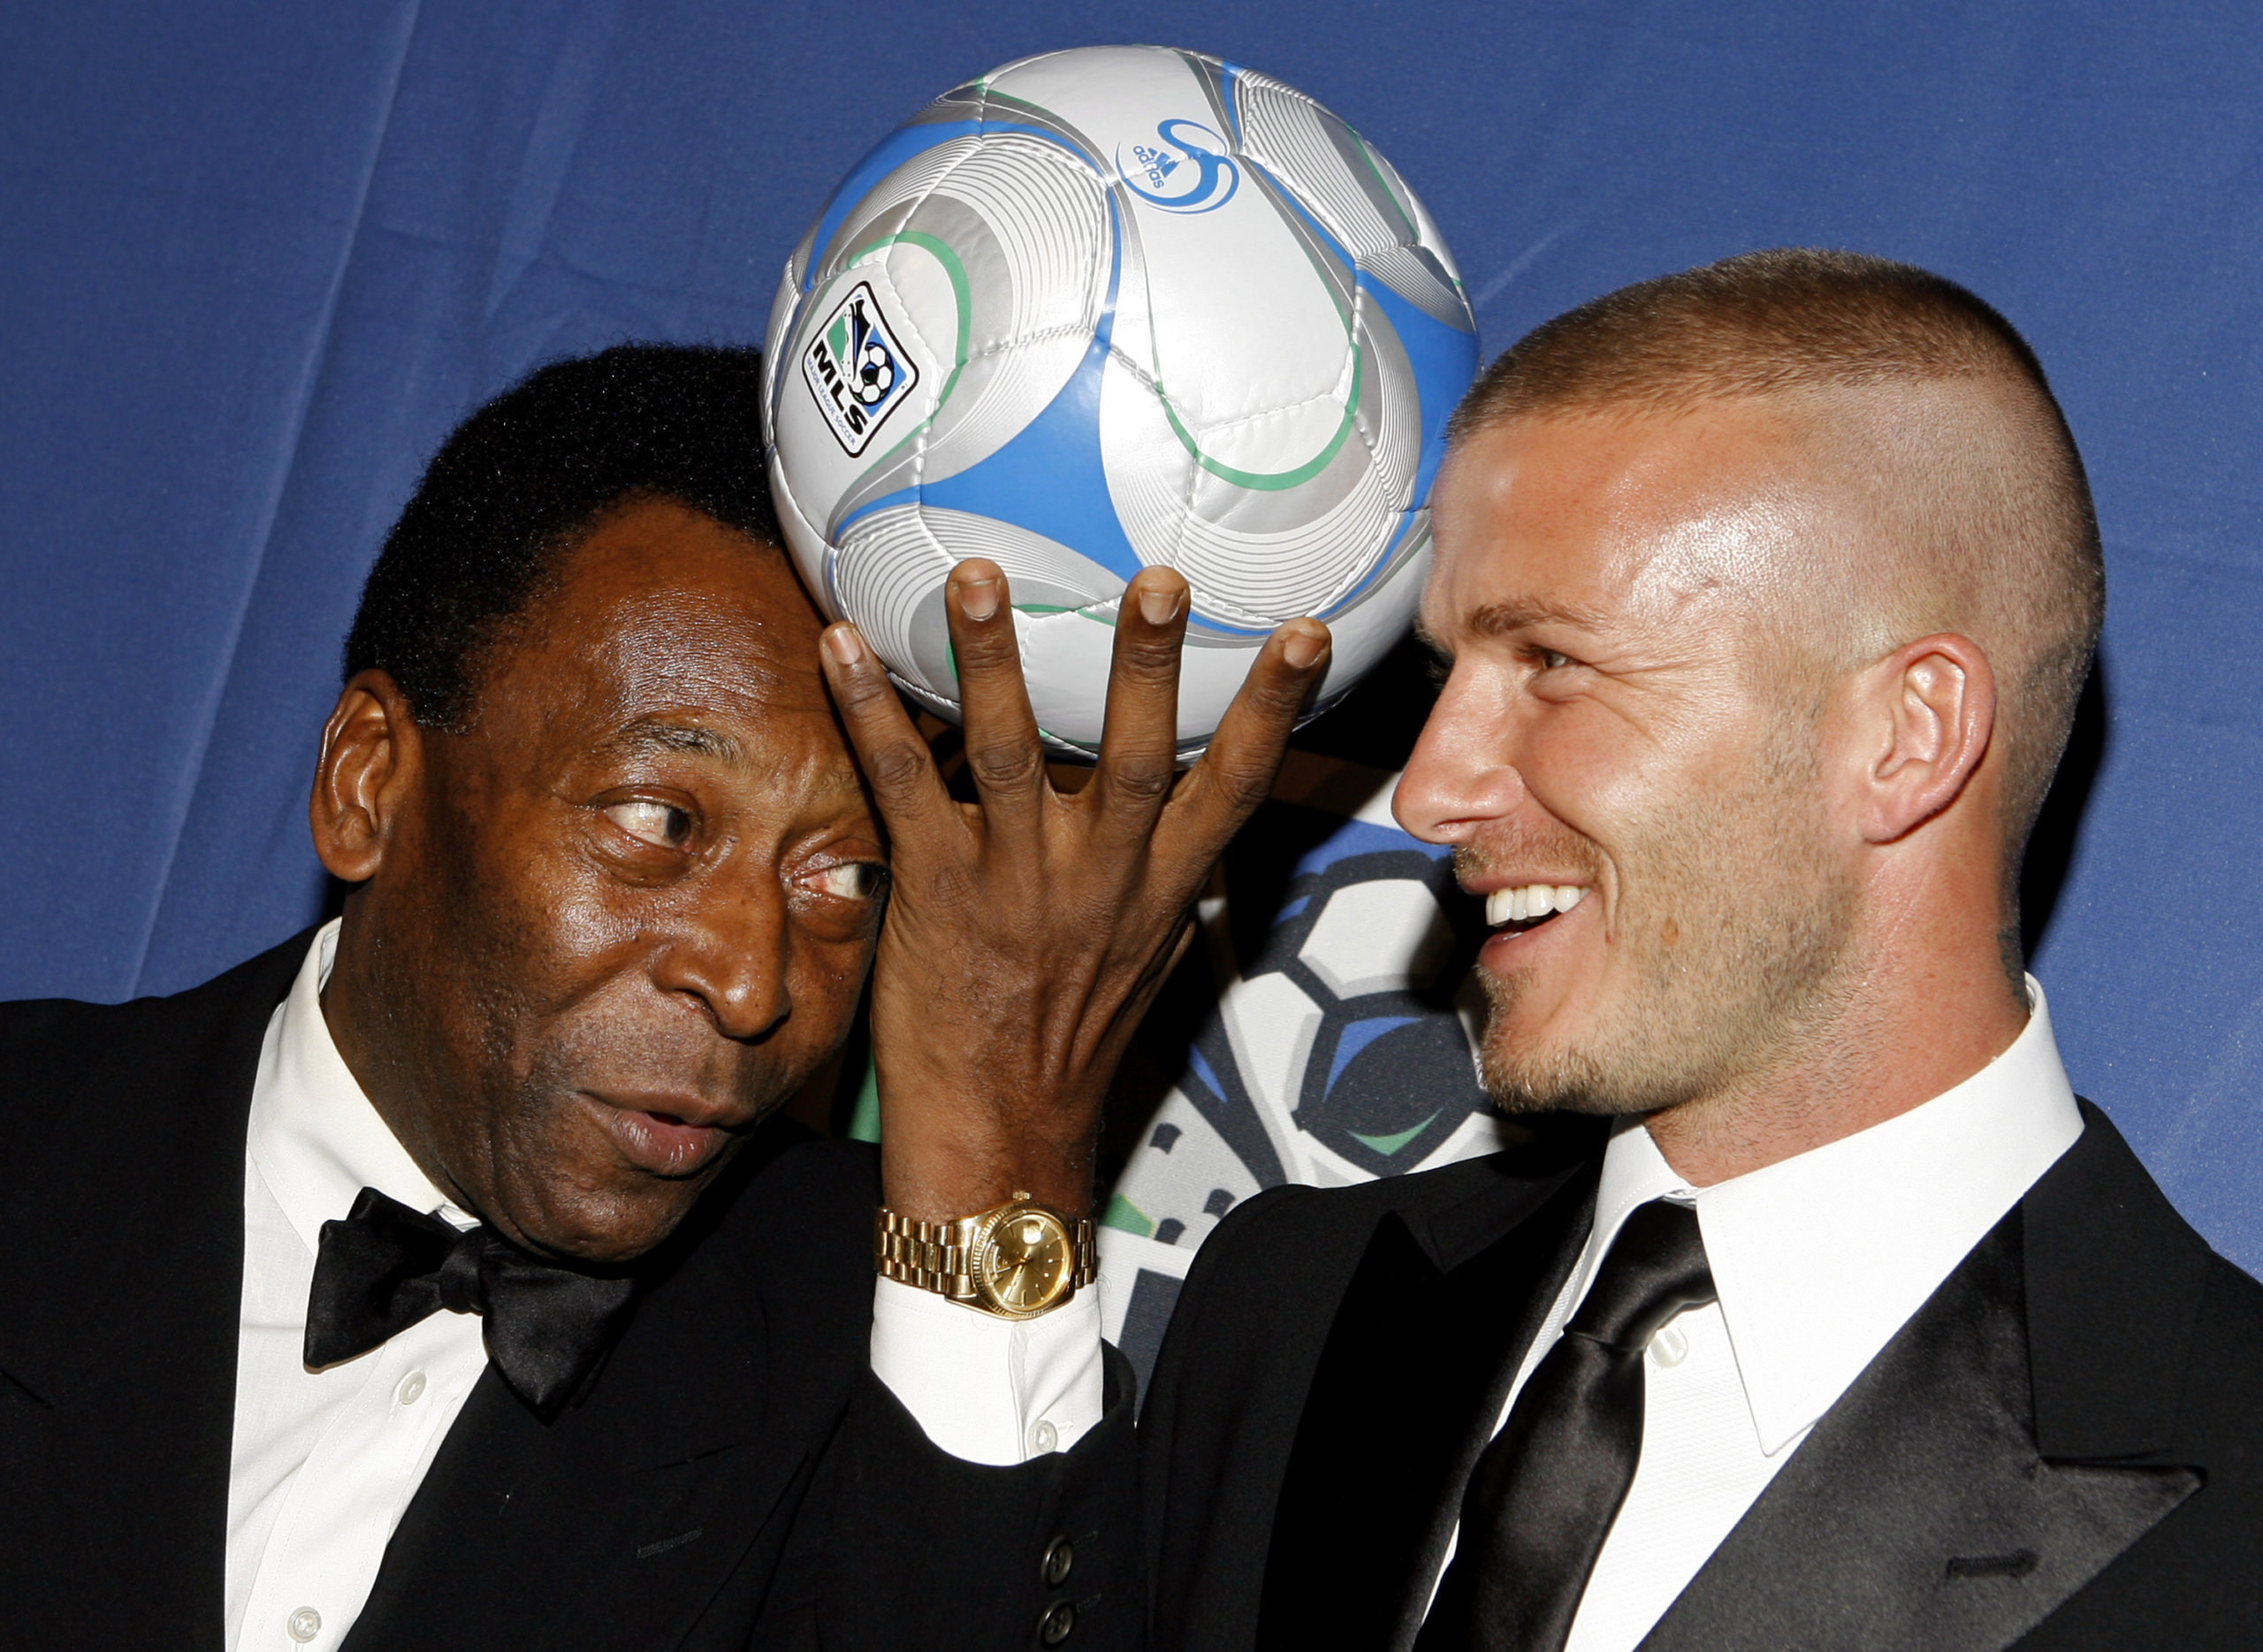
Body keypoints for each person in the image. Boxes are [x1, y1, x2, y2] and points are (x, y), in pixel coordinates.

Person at [861, 249, 2260, 1650]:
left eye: (1553, 664)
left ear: (1908, 735)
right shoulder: (1297, 1311)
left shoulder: (2228, 1494)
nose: (1426, 790)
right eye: (1444, 672)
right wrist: (992, 1152)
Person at [0, 342, 1330, 1649]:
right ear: (368, 784)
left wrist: (1001, 1154)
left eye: (843, 874)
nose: (753, 980)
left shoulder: (886, 1354)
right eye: (659, 819)